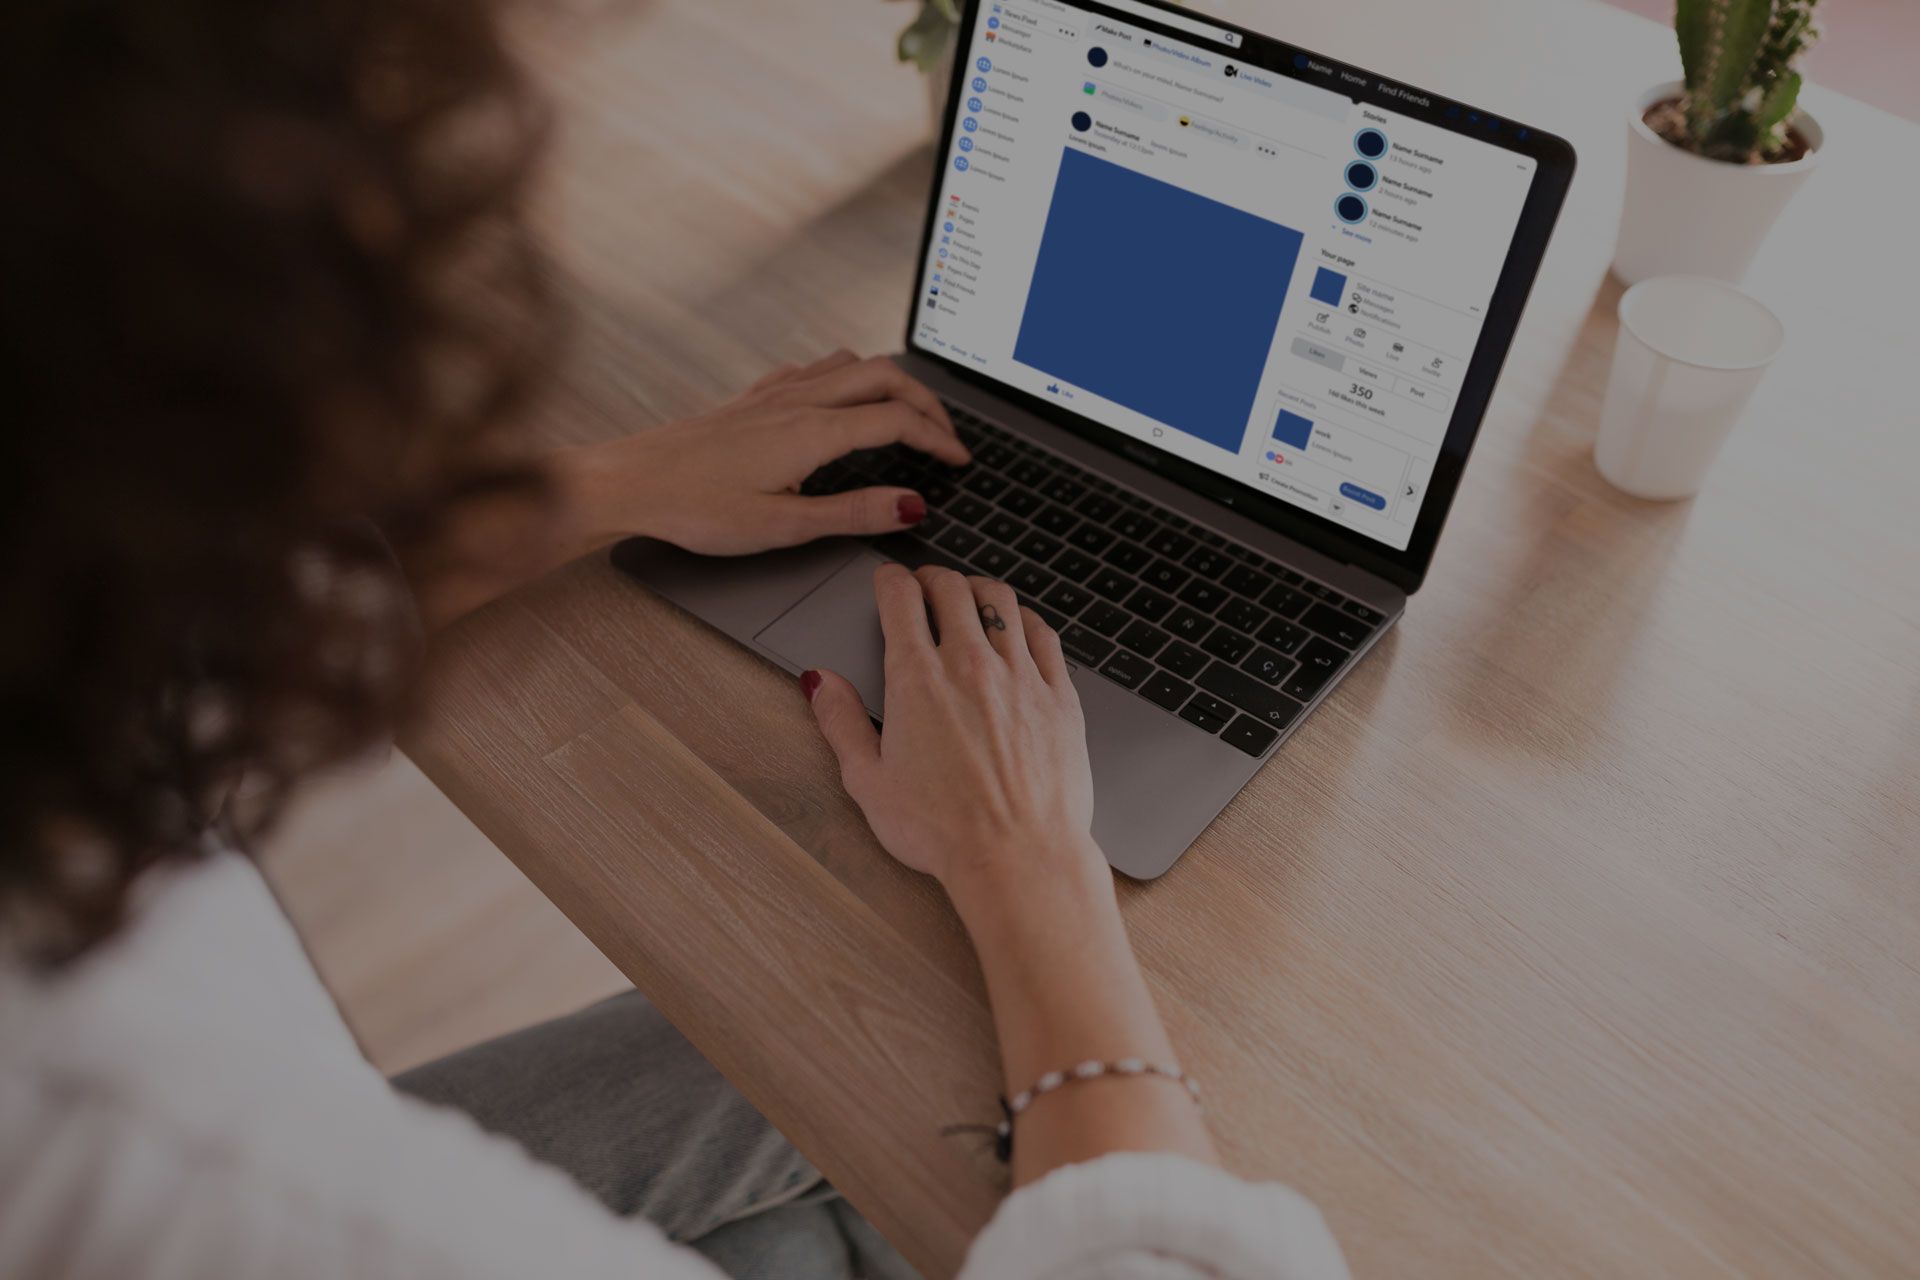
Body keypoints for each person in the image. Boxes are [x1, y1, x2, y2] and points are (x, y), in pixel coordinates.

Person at [0, 0, 1348, 1276]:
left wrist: (605, 491)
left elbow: (158, 623)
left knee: (857, 1159)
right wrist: (1031, 862)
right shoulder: (196, 1168)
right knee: (955, 1047)